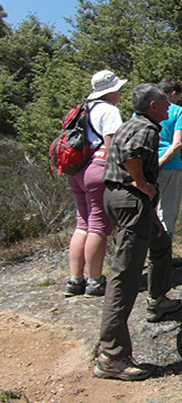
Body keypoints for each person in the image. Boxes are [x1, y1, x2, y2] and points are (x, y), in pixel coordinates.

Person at [95, 83, 182, 381]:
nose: (168, 106)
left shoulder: (131, 123)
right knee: (125, 275)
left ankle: (158, 300)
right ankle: (112, 356)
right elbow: (133, 156)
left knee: (161, 242)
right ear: (151, 106)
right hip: (131, 200)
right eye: (163, 102)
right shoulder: (146, 128)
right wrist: (142, 185)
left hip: (124, 200)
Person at [65, 70, 125, 297]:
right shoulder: (109, 111)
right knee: (99, 225)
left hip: (76, 170)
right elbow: (112, 145)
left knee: (83, 223)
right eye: (118, 89)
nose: (120, 93)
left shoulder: (82, 108)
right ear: (110, 91)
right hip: (97, 170)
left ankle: (75, 279)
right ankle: (95, 280)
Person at [156, 78, 182, 240]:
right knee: (167, 212)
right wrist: (161, 162)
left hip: (144, 165)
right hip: (171, 165)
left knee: (147, 210)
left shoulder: (141, 110)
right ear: (174, 93)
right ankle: (163, 257)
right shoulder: (176, 111)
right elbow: (177, 143)